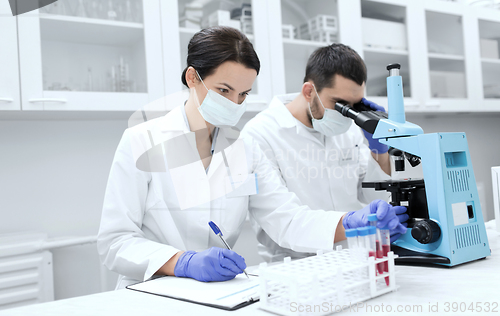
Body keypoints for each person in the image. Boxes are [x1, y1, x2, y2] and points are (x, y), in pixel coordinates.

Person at [97, 27, 406, 289]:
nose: (234, 103)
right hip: (150, 295)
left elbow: (287, 219)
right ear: (193, 78)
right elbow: (115, 242)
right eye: (223, 90)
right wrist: (182, 262)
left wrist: (350, 221)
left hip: (216, 295)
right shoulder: (142, 140)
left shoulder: (245, 148)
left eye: (243, 94)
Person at [242, 43, 408, 262]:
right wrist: (349, 221)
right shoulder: (259, 135)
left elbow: (374, 197)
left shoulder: (349, 131)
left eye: (354, 105)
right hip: (297, 269)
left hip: (356, 260)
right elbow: (284, 223)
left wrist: (380, 151)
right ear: (309, 91)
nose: (346, 113)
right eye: (339, 104)